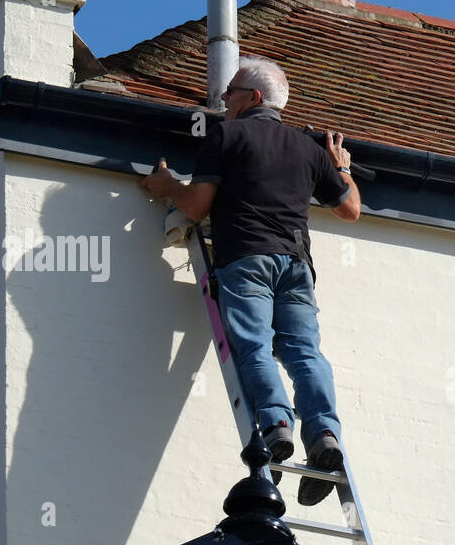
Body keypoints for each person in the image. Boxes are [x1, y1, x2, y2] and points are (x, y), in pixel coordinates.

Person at [141, 56, 360, 506]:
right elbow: (350, 209)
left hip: (246, 257)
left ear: (253, 98)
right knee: (303, 351)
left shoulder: (227, 134)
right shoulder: (309, 150)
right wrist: (342, 168)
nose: (223, 99)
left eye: (232, 91)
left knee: (254, 345)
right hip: (296, 265)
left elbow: (198, 206)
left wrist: (167, 186)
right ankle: (324, 436)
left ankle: (278, 424)